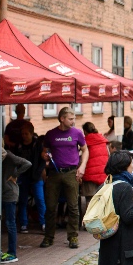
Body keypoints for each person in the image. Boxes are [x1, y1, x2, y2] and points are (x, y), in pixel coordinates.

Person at [41, 107, 88, 250]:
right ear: (62, 119)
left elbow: (85, 149)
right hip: (54, 173)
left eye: (74, 118)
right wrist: (45, 157)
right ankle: (48, 237)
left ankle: (73, 236)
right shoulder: (51, 134)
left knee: (73, 206)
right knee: (50, 206)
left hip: (71, 172)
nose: (73, 121)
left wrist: (82, 167)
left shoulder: (77, 133)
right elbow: (44, 151)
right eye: (71, 118)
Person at [0, 136, 31, 264]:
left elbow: (27, 163)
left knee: (10, 223)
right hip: (0, 192)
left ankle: (12, 253)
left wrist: (15, 175)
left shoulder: (8, 155)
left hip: (9, 192)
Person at [15, 124, 45, 233]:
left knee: (40, 199)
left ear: (31, 134)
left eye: (26, 134)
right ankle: (23, 223)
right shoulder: (19, 146)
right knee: (22, 200)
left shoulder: (37, 145)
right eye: (22, 134)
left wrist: (38, 173)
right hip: (23, 176)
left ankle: (43, 222)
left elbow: (42, 161)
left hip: (36, 176)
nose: (24, 136)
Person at [82, 121, 109, 204]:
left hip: (89, 175)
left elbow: (81, 158)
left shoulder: (84, 142)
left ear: (85, 131)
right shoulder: (103, 141)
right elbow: (108, 155)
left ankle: (91, 217)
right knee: (102, 201)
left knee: (90, 202)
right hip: (103, 174)